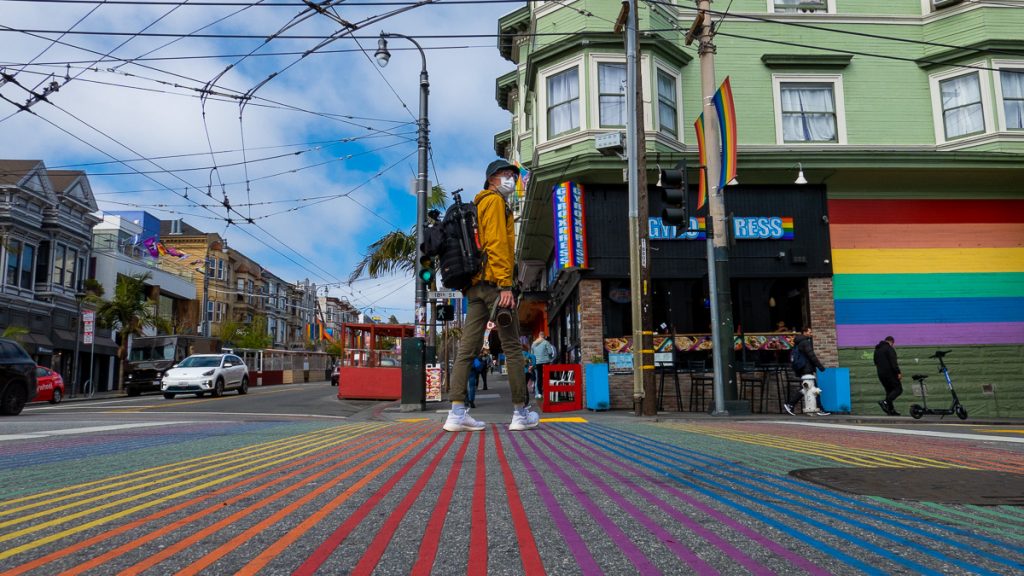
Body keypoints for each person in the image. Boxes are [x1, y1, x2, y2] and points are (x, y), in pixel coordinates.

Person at [443, 159, 539, 432]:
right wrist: (506, 285)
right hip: (495, 287)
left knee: (466, 350)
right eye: (508, 174)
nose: (512, 179)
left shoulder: (477, 205)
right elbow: (497, 244)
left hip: (474, 288)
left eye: (513, 175)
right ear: (493, 177)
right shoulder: (495, 202)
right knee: (512, 349)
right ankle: (521, 413)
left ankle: (457, 413)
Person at [783, 326, 829, 416]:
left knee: (813, 389)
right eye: (809, 332)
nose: (811, 333)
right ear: (804, 332)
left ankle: (820, 409)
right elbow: (812, 356)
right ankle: (790, 405)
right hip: (807, 369)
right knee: (810, 388)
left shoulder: (798, 342)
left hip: (803, 369)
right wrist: (820, 367)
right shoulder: (805, 342)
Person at [874, 336, 902, 415]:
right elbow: (893, 363)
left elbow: (875, 362)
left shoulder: (877, 350)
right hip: (890, 374)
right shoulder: (889, 349)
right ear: (891, 342)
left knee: (889, 392)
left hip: (881, 374)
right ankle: (885, 402)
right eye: (893, 344)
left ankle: (891, 411)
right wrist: (898, 372)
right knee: (898, 389)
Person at [531, 332, 556, 400]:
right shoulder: (546, 342)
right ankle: (548, 392)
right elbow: (550, 352)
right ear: (543, 336)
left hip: (537, 362)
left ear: (538, 336)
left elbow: (532, 354)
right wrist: (549, 357)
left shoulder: (533, 343)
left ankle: (539, 393)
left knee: (539, 377)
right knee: (548, 377)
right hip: (546, 362)